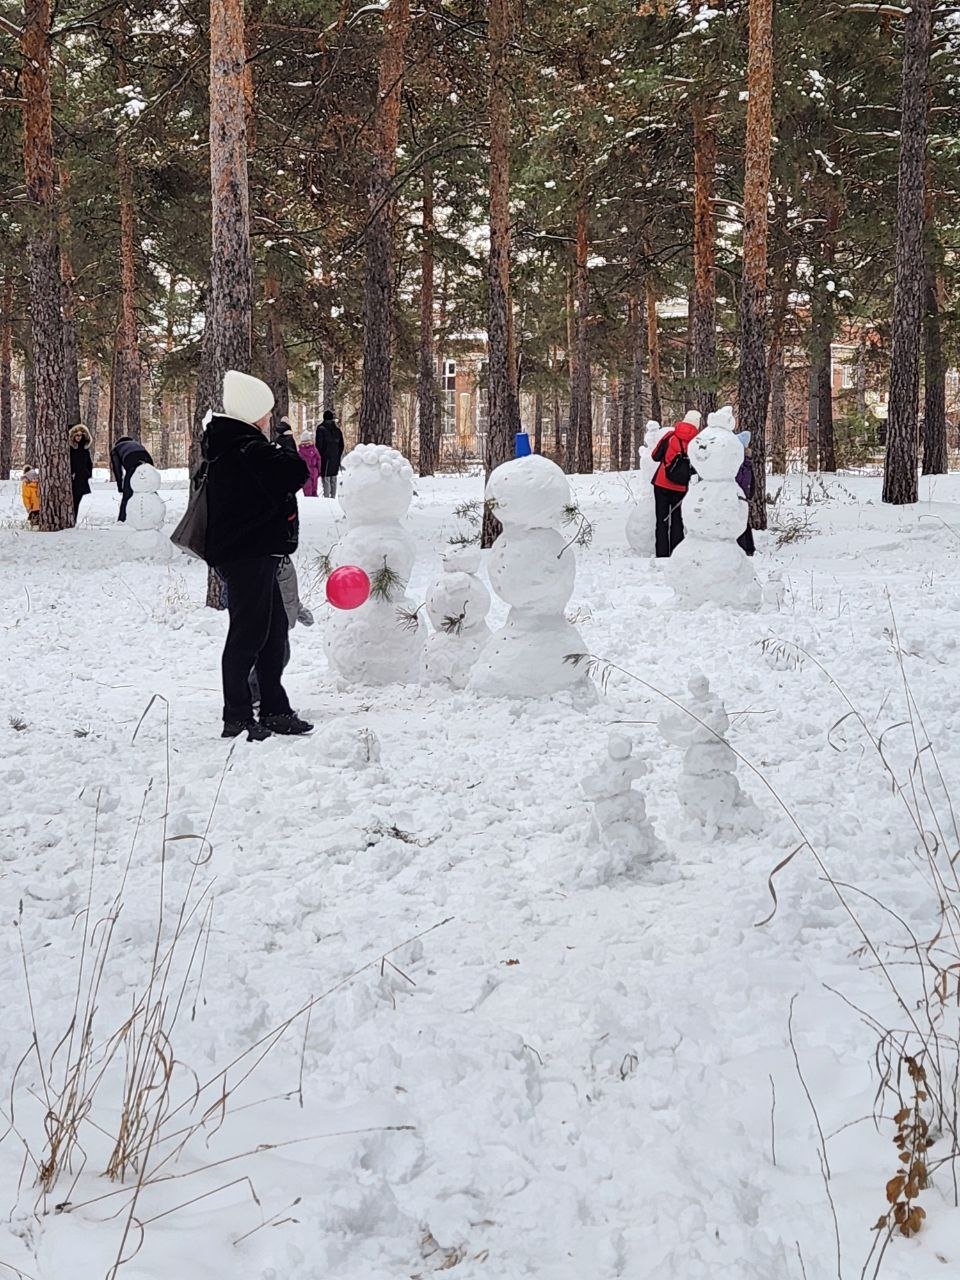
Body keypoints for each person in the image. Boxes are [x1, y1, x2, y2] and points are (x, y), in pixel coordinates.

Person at [203, 370, 312, 741]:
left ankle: (274, 707)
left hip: (254, 553)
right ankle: (237, 714)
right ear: (254, 415)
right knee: (248, 634)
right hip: (247, 555)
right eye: (265, 413)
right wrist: (287, 442)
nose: (269, 419)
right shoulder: (245, 446)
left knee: (273, 630)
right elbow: (294, 473)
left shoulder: (234, 444)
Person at [650, 408, 700, 557]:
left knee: (662, 520)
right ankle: (676, 554)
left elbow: (655, 456)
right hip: (681, 488)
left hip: (661, 484)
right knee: (678, 520)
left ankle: (661, 554)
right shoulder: (697, 442)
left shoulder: (670, 436)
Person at [110, 434, 154, 522]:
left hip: (132, 464)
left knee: (127, 495)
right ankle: (155, 515)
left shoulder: (116, 449)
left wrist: (120, 486)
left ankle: (122, 520)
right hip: (148, 463)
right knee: (150, 492)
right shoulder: (136, 444)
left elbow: (117, 469)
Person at [315, 409, 344, 498]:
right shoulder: (337, 430)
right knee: (333, 478)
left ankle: (327, 498)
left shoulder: (320, 429)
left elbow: (319, 445)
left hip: (325, 457)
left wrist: (320, 456)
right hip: (335, 457)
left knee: (326, 477)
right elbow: (341, 445)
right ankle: (333, 497)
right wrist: (338, 455)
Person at [735, 430, 756, 556]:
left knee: (740, 522)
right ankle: (749, 547)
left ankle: (744, 547)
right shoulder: (746, 461)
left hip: (739, 495)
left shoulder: (740, 461)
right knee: (744, 521)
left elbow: (740, 478)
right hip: (744, 494)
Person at [68, 424, 93, 519]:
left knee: (77, 500)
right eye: (77, 435)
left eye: (80, 435)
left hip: (82, 477)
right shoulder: (70, 448)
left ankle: (74, 520)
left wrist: (88, 473)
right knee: (73, 500)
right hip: (73, 477)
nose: (79, 437)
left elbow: (88, 462)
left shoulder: (84, 448)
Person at [298, 433, 321, 497]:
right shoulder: (314, 450)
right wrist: (319, 471)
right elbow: (319, 460)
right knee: (314, 488)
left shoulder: (300, 452)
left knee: (308, 490)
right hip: (314, 470)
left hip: (306, 472)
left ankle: (309, 503)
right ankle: (315, 502)